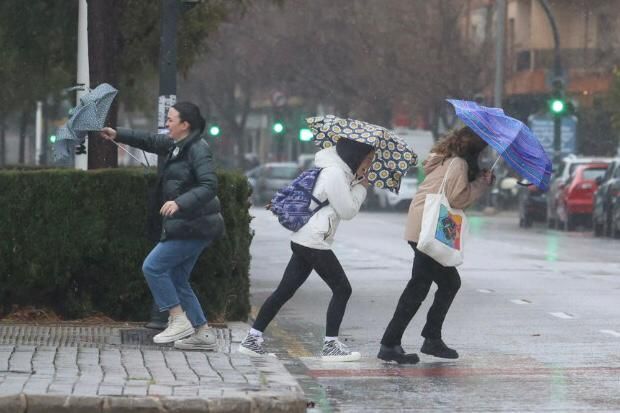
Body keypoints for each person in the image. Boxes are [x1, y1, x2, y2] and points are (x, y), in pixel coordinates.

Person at [99, 102, 225, 351]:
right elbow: (150, 141)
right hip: (191, 224)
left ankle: (178, 320)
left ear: (185, 124)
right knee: (178, 278)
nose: (167, 124)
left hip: (193, 224)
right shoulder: (177, 146)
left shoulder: (197, 149)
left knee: (153, 267)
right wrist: (118, 134)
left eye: (171, 120)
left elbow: (209, 184)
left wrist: (179, 203)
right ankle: (202, 333)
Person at [239, 138, 375, 361]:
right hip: (313, 240)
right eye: (368, 159)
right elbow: (348, 211)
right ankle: (331, 345)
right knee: (343, 289)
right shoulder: (335, 173)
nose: (369, 164)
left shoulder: (340, 173)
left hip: (306, 239)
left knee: (285, 291)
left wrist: (356, 182)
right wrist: (361, 188)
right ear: (356, 155)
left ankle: (252, 339)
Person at [378, 126, 493, 364]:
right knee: (438, 284)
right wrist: (481, 184)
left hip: (420, 224)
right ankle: (400, 342)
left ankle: (416, 339)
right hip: (426, 228)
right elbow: (457, 198)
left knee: (429, 284)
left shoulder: (445, 159)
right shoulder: (459, 163)